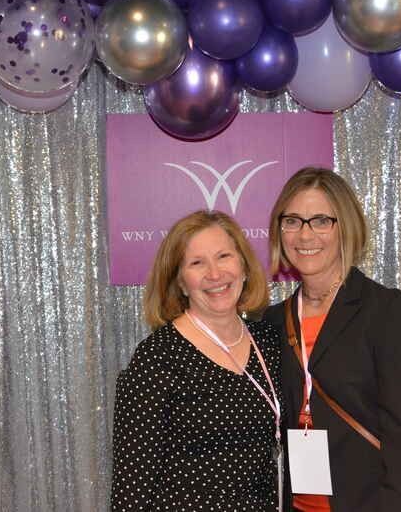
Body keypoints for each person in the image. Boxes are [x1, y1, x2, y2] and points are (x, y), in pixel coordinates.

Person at [263, 167, 401, 512]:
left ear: (346, 227)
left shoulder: (385, 311)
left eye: (321, 221)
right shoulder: (272, 321)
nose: (305, 235)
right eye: (292, 220)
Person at [111, 210, 282, 512]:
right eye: (197, 263)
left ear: (243, 265)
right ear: (180, 281)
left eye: (224, 256)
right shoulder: (157, 358)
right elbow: (131, 489)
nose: (215, 274)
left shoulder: (269, 342)